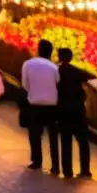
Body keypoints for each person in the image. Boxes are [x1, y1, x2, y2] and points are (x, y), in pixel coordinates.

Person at [21, 39, 59, 174]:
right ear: (50, 52)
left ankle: (37, 161)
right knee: (53, 136)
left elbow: (25, 84)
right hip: (51, 105)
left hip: (34, 103)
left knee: (35, 134)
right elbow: (58, 83)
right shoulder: (54, 67)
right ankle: (55, 165)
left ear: (38, 49)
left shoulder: (28, 64)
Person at [55, 47, 91, 179]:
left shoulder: (57, 71)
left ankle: (67, 170)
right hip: (78, 110)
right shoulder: (76, 71)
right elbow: (89, 77)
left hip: (63, 110)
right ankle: (85, 170)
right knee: (83, 141)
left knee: (66, 141)